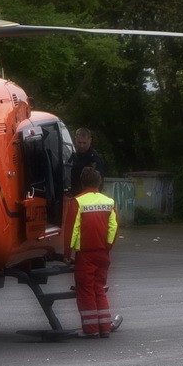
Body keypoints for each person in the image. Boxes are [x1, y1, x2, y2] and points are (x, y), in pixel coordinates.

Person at [66, 167, 117, 338]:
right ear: (99, 182)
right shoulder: (109, 202)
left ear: (82, 183)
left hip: (85, 255)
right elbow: (114, 228)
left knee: (86, 290)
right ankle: (105, 327)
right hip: (103, 253)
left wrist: (67, 254)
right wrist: (107, 247)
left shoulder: (78, 201)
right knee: (99, 288)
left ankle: (91, 330)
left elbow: (72, 230)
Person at [69, 127, 105, 196]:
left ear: (90, 140)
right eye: (79, 142)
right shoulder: (72, 156)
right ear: (75, 140)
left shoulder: (95, 159)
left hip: (89, 196)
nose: (82, 146)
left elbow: (99, 182)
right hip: (73, 195)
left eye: (84, 143)